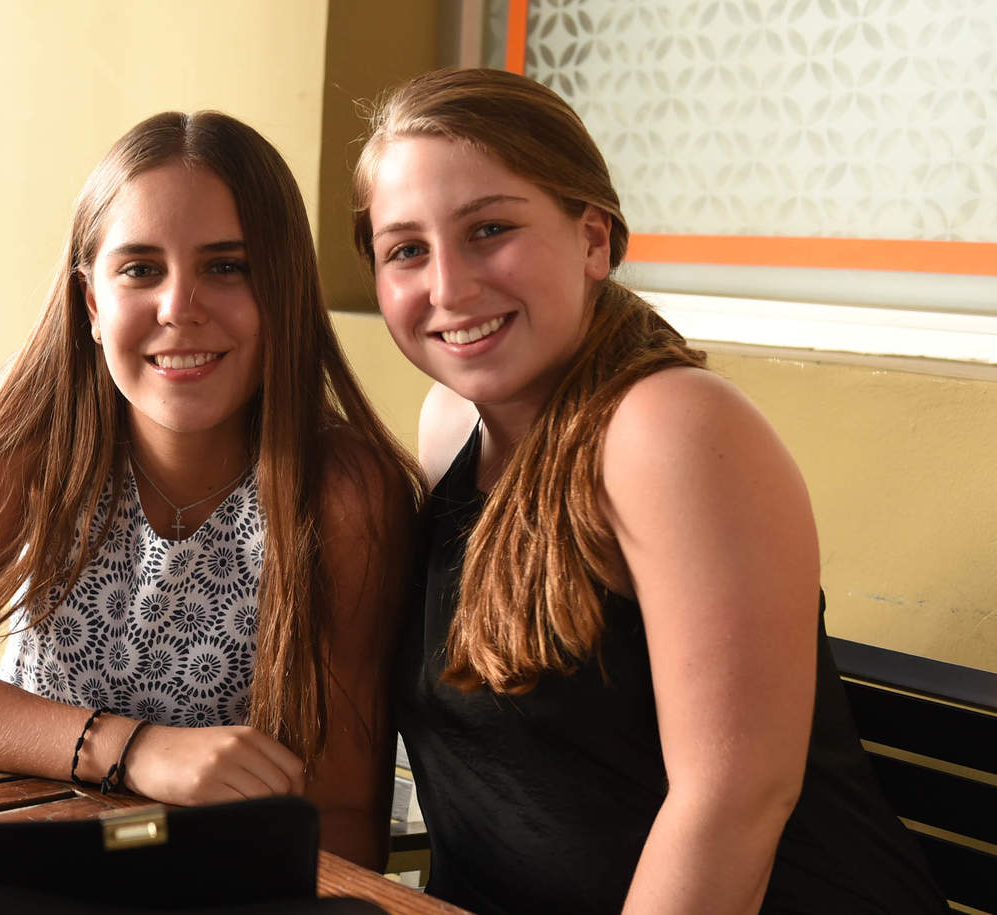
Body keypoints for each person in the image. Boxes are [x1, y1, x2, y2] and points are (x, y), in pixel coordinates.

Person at [352, 68, 947, 913]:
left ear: (593, 239)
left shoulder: (668, 426)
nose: (448, 286)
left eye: (489, 229)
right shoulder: (452, 424)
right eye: (407, 249)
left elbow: (733, 802)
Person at [0, 110, 420, 870]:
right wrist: (134, 749)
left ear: (283, 290)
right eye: (141, 269)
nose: (179, 307)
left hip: (212, 886)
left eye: (227, 267)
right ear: (91, 304)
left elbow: (343, 815)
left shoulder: (346, 494)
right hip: (19, 866)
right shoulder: (36, 442)